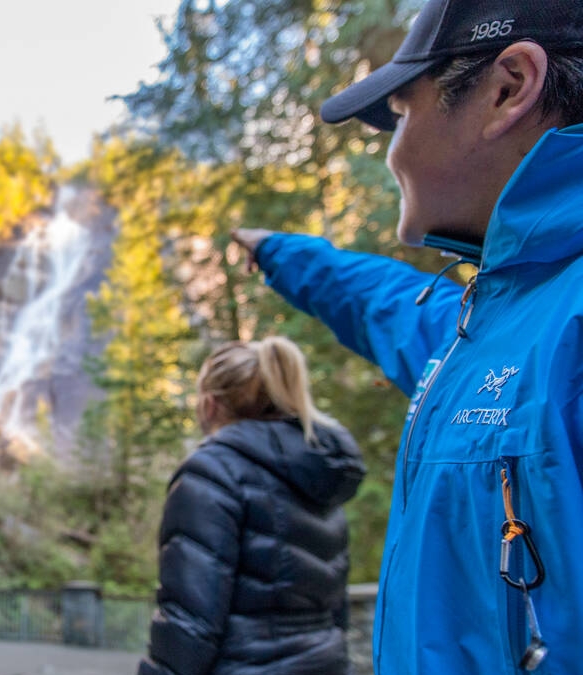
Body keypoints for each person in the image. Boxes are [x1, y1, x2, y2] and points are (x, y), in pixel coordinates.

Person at [229, 1, 583, 672]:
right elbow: (382, 301)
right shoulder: (484, 326)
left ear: (507, 89)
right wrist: (279, 251)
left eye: (400, 115)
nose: (392, 152)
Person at [139, 337, 365, 675]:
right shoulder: (318, 471)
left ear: (210, 404)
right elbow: (337, 607)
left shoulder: (211, 472)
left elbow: (190, 619)